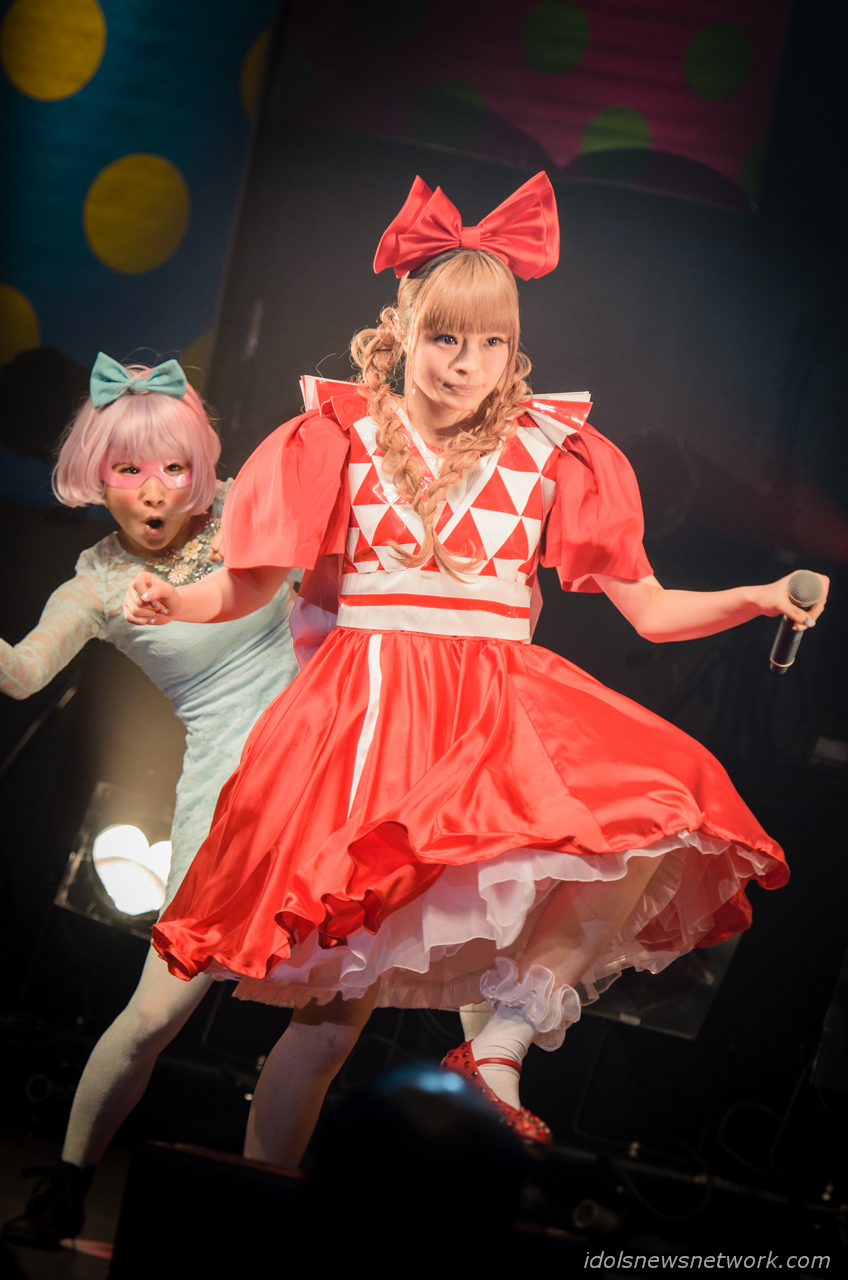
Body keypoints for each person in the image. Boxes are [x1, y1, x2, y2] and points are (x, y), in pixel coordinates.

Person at [124, 174, 828, 1158]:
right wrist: (177, 599)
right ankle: (264, 1210)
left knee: (660, 812)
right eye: (448, 338)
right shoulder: (336, 436)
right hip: (369, 737)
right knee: (324, 1031)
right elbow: (248, 583)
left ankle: (499, 1045)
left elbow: (650, 606)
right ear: (404, 328)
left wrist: (759, 594)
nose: (468, 363)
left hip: (491, 735)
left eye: (492, 342)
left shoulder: (553, 452)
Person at [1, 353, 300, 1247]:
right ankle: (66, 1186)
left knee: (336, 1017)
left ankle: (267, 1219)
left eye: (174, 465)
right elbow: (23, 673)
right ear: (96, 477)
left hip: (333, 761)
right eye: (130, 469)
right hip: (230, 793)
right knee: (155, 1014)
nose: (157, 487)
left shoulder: (250, 503)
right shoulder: (95, 582)